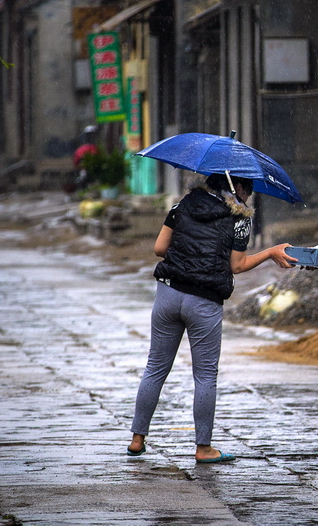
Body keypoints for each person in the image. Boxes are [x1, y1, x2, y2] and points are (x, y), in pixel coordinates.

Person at [127, 173, 296, 462]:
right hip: (204, 301)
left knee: (155, 367)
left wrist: (189, 248)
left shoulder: (183, 205)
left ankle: (137, 438)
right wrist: (269, 252)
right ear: (238, 187)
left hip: (168, 294)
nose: (248, 197)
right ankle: (203, 448)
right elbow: (238, 265)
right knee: (205, 376)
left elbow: (159, 249)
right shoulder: (239, 218)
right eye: (248, 191)